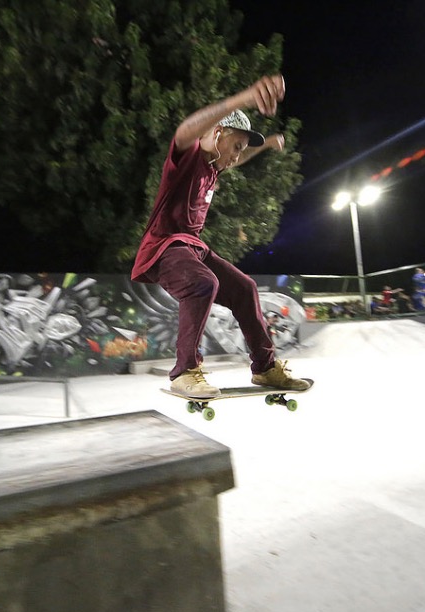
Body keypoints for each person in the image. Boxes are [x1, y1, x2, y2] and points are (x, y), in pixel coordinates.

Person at [130, 74, 310, 398]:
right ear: (216, 134)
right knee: (203, 283)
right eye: (235, 147)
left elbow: (236, 158)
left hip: (193, 249)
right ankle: (184, 371)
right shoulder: (188, 158)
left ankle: (265, 368)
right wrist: (244, 98)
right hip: (165, 247)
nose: (236, 157)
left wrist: (265, 144)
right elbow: (184, 131)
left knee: (245, 288)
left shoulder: (214, 166)